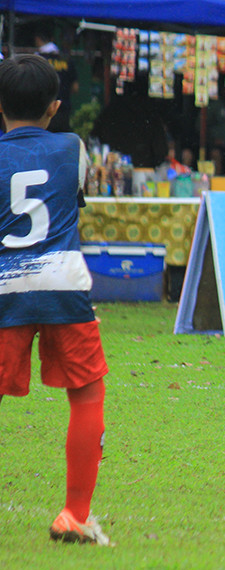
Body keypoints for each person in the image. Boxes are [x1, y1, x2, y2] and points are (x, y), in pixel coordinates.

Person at [0, 55, 111, 545]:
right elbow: (76, 195)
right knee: (86, 392)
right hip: (64, 281)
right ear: (55, 106)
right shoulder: (73, 147)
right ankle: (74, 514)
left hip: (5, 286)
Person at [34, 30, 77, 134]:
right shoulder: (66, 59)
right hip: (63, 109)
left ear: (37, 39)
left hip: (42, 111)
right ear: (52, 39)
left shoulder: (36, 60)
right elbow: (75, 88)